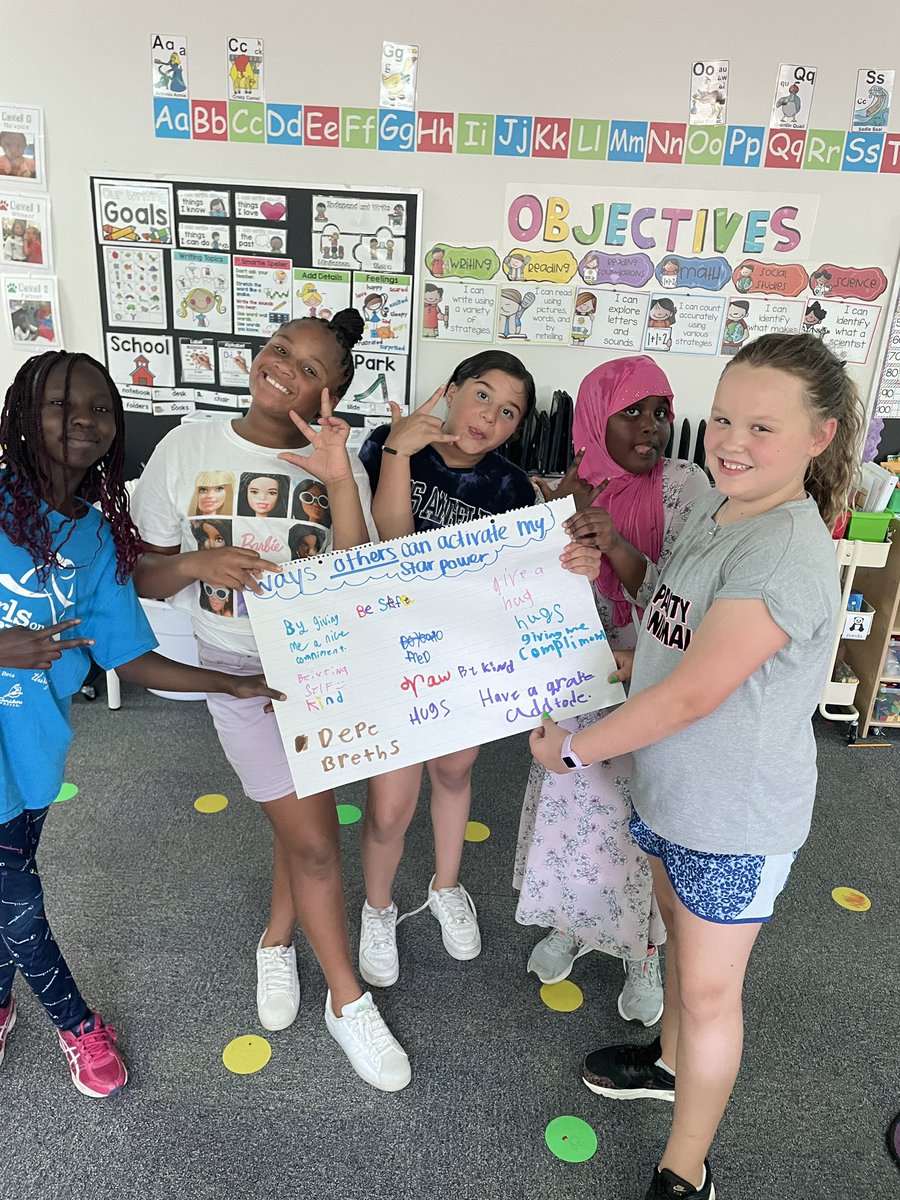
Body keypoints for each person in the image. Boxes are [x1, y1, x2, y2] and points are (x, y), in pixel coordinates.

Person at [531, 333, 860, 1200]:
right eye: (720, 418)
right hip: (674, 792)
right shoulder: (721, 509)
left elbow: (690, 695)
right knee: (677, 943)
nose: (730, 439)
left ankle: (686, 1169)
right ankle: (668, 1062)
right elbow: (669, 636)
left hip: (732, 820)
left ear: (820, 436)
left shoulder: (783, 549)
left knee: (713, 992)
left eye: (762, 425)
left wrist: (570, 748)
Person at [130, 311, 413, 1093]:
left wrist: (338, 476)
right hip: (238, 674)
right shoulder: (189, 445)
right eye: (281, 349)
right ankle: (346, 1000)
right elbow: (146, 575)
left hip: (321, 671)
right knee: (315, 840)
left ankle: (277, 938)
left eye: (312, 367)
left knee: (307, 824)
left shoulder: (334, 453)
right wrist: (197, 564)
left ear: (331, 392)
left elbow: (360, 572)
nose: (287, 368)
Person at [0, 351, 283, 1099]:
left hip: (32, 750)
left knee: (6, 887)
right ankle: (76, 1025)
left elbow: (129, 654)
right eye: (63, 406)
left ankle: (0, 1003)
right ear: (24, 415)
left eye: (100, 410)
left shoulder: (94, 539)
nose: (85, 423)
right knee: (20, 901)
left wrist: (229, 681)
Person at [354, 351, 601, 991]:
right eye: (481, 396)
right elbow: (388, 546)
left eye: (508, 411)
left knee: (456, 770)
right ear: (453, 390)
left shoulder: (512, 486)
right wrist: (398, 456)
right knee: (388, 805)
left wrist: (573, 563)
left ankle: (445, 885)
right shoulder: (388, 444)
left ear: (516, 428)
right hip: (393, 649)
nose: (488, 416)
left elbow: (525, 579)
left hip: (466, 659)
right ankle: (376, 907)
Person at [515, 357, 710, 1026]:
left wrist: (618, 545)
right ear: (596, 415)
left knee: (644, 829)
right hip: (577, 682)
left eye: (661, 411)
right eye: (632, 410)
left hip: (652, 684)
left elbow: (684, 602)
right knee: (578, 818)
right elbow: (526, 595)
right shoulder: (561, 490)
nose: (652, 426)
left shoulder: (688, 486)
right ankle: (574, 925)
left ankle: (642, 954)